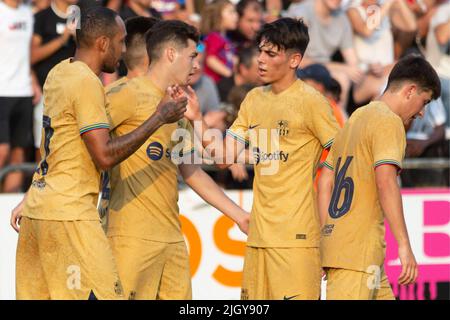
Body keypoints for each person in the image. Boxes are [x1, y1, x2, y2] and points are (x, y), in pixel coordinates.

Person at [10, 7, 188, 300]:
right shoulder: (86, 83)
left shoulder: (59, 72)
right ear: (103, 43)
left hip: (39, 214)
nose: (122, 50)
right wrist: (159, 117)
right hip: (71, 218)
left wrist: (30, 195)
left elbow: (54, 148)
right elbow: (103, 156)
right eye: (119, 42)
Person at [185, 17, 340, 300]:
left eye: (270, 54)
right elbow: (222, 158)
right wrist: (196, 119)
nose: (260, 60)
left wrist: (330, 233)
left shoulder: (312, 102)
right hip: (257, 238)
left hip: (297, 242)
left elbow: (344, 160)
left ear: (294, 60)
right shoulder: (254, 99)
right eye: (260, 51)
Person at [105, 19, 250, 300]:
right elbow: (81, 145)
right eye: (192, 56)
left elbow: (191, 170)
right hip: (130, 238)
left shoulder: (179, 104)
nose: (197, 65)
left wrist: (239, 215)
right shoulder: (122, 95)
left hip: (172, 237)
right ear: (170, 54)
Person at [317, 55, 441, 300]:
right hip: (358, 253)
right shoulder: (388, 121)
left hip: (355, 252)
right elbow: (386, 182)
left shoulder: (355, 118)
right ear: (410, 91)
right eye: (423, 102)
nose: (422, 113)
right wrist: (404, 245)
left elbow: (324, 181)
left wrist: (326, 238)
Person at [0, 0, 40, 192]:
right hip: (2, 92)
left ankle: (7, 208)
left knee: (18, 155)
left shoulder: (27, 12)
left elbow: (26, 53)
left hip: (23, 91)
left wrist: (33, 80)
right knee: (2, 151)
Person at [31, 0, 78, 162]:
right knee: (42, 143)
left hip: (74, 93)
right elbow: (32, 55)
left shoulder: (79, 15)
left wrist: (79, 38)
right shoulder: (42, 17)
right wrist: (62, 39)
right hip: (47, 92)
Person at [201, 0, 239, 83]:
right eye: (231, 12)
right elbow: (210, 59)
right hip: (217, 84)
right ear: (217, 15)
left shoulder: (226, 38)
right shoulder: (213, 37)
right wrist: (230, 75)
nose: (236, 16)